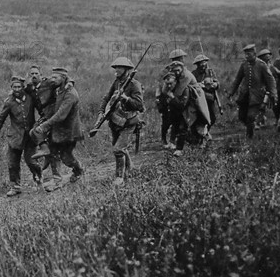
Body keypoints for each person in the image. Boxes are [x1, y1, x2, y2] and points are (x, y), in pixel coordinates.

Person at [95, 57, 144, 186]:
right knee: (120, 147)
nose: (116, 70)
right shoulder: (117, 82)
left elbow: (139, 105)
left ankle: (119, 178)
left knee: (118, 149)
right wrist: (101, 112)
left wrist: (126, 98)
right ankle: (130, 169)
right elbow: (106, 97)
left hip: (129, 121)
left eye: (120, 67)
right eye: (115, 67)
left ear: (127, 70)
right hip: (116, 121)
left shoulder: (134, 85)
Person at [0, 76, 42, 196]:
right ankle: (15, 186)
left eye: (19, 86)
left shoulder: (30, 98)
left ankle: (39, 180)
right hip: (15, 137)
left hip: (30, 137)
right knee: (13, 163)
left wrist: (41, 124)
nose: (17, 89)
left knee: (32, 161)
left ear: (23, 87)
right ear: (11, 88)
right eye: (14, 87)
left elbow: (42, 110)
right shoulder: (9, 102)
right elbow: (0, 119)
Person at [31, 67, 84, 183]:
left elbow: (61, 115)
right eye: (52, 76)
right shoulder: (59, 87)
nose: (52, 79)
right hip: (57, 128)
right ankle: (56, 178)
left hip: (69, 131)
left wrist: (45, 125)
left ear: (63, 78)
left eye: (55, 77)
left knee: (66, 158)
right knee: (52, 151)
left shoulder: (70, 94)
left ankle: (78, 169)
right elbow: (42, 83)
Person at [25, 65, 62, 190]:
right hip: (44, 116)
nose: (34, 76)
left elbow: (62, 80)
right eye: (32, 74)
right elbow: (22, 90)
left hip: (53, 116)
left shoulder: (48, 83)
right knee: (33, 133)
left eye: (36, 73)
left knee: (54, 147)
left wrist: (70, 83)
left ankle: (59, 178)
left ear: (41, 74)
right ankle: (46, 152)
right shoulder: (31, 88)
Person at [229, 44, 277, 139]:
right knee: (242, 117)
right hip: (244, 96)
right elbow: (237, 79)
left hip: (257, 96)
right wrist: (231, 92)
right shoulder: (244, 65)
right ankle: (250, 126)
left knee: (250, 117)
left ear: (254, 54)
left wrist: (273, 94)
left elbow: (270, 80)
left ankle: (249, 137)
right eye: (246, 54)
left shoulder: (262, 65)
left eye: (249, 54)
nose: (247, 56)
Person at [163, 61, 208, 157]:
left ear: (182, 68)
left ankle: (202, 140)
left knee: (199, 118)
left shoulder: (186, 75)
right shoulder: (175, 76)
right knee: (178, 122)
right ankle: (175, 143)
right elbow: (165, 89)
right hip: (183, 101)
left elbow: (178, 93)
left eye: (178, 70)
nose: (177, 72)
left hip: (194, 98)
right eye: (174, 71)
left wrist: (170, 96)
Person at [156, 49, 187, 149]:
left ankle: (172, 140)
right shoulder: (165, 71)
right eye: (181, 58)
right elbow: (160, 85)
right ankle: (163, 139)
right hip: (165, 98)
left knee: (176, 120)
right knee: (166, 120)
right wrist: (159, 99)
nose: (182, 60)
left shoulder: (182, 70)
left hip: (176, 98)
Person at [191, 54, 220, 143]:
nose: (204, 65)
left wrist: (215, 84)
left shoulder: (210, 72)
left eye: (205, 63)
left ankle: (206, 131)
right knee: (201, 118)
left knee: (212, 118)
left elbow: (217, 82)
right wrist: (200, 85)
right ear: (198, 64)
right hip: (199, 99)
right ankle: (200, 135)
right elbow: (191, 85)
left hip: (210, 98)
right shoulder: (194, 74)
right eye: (201, 63)